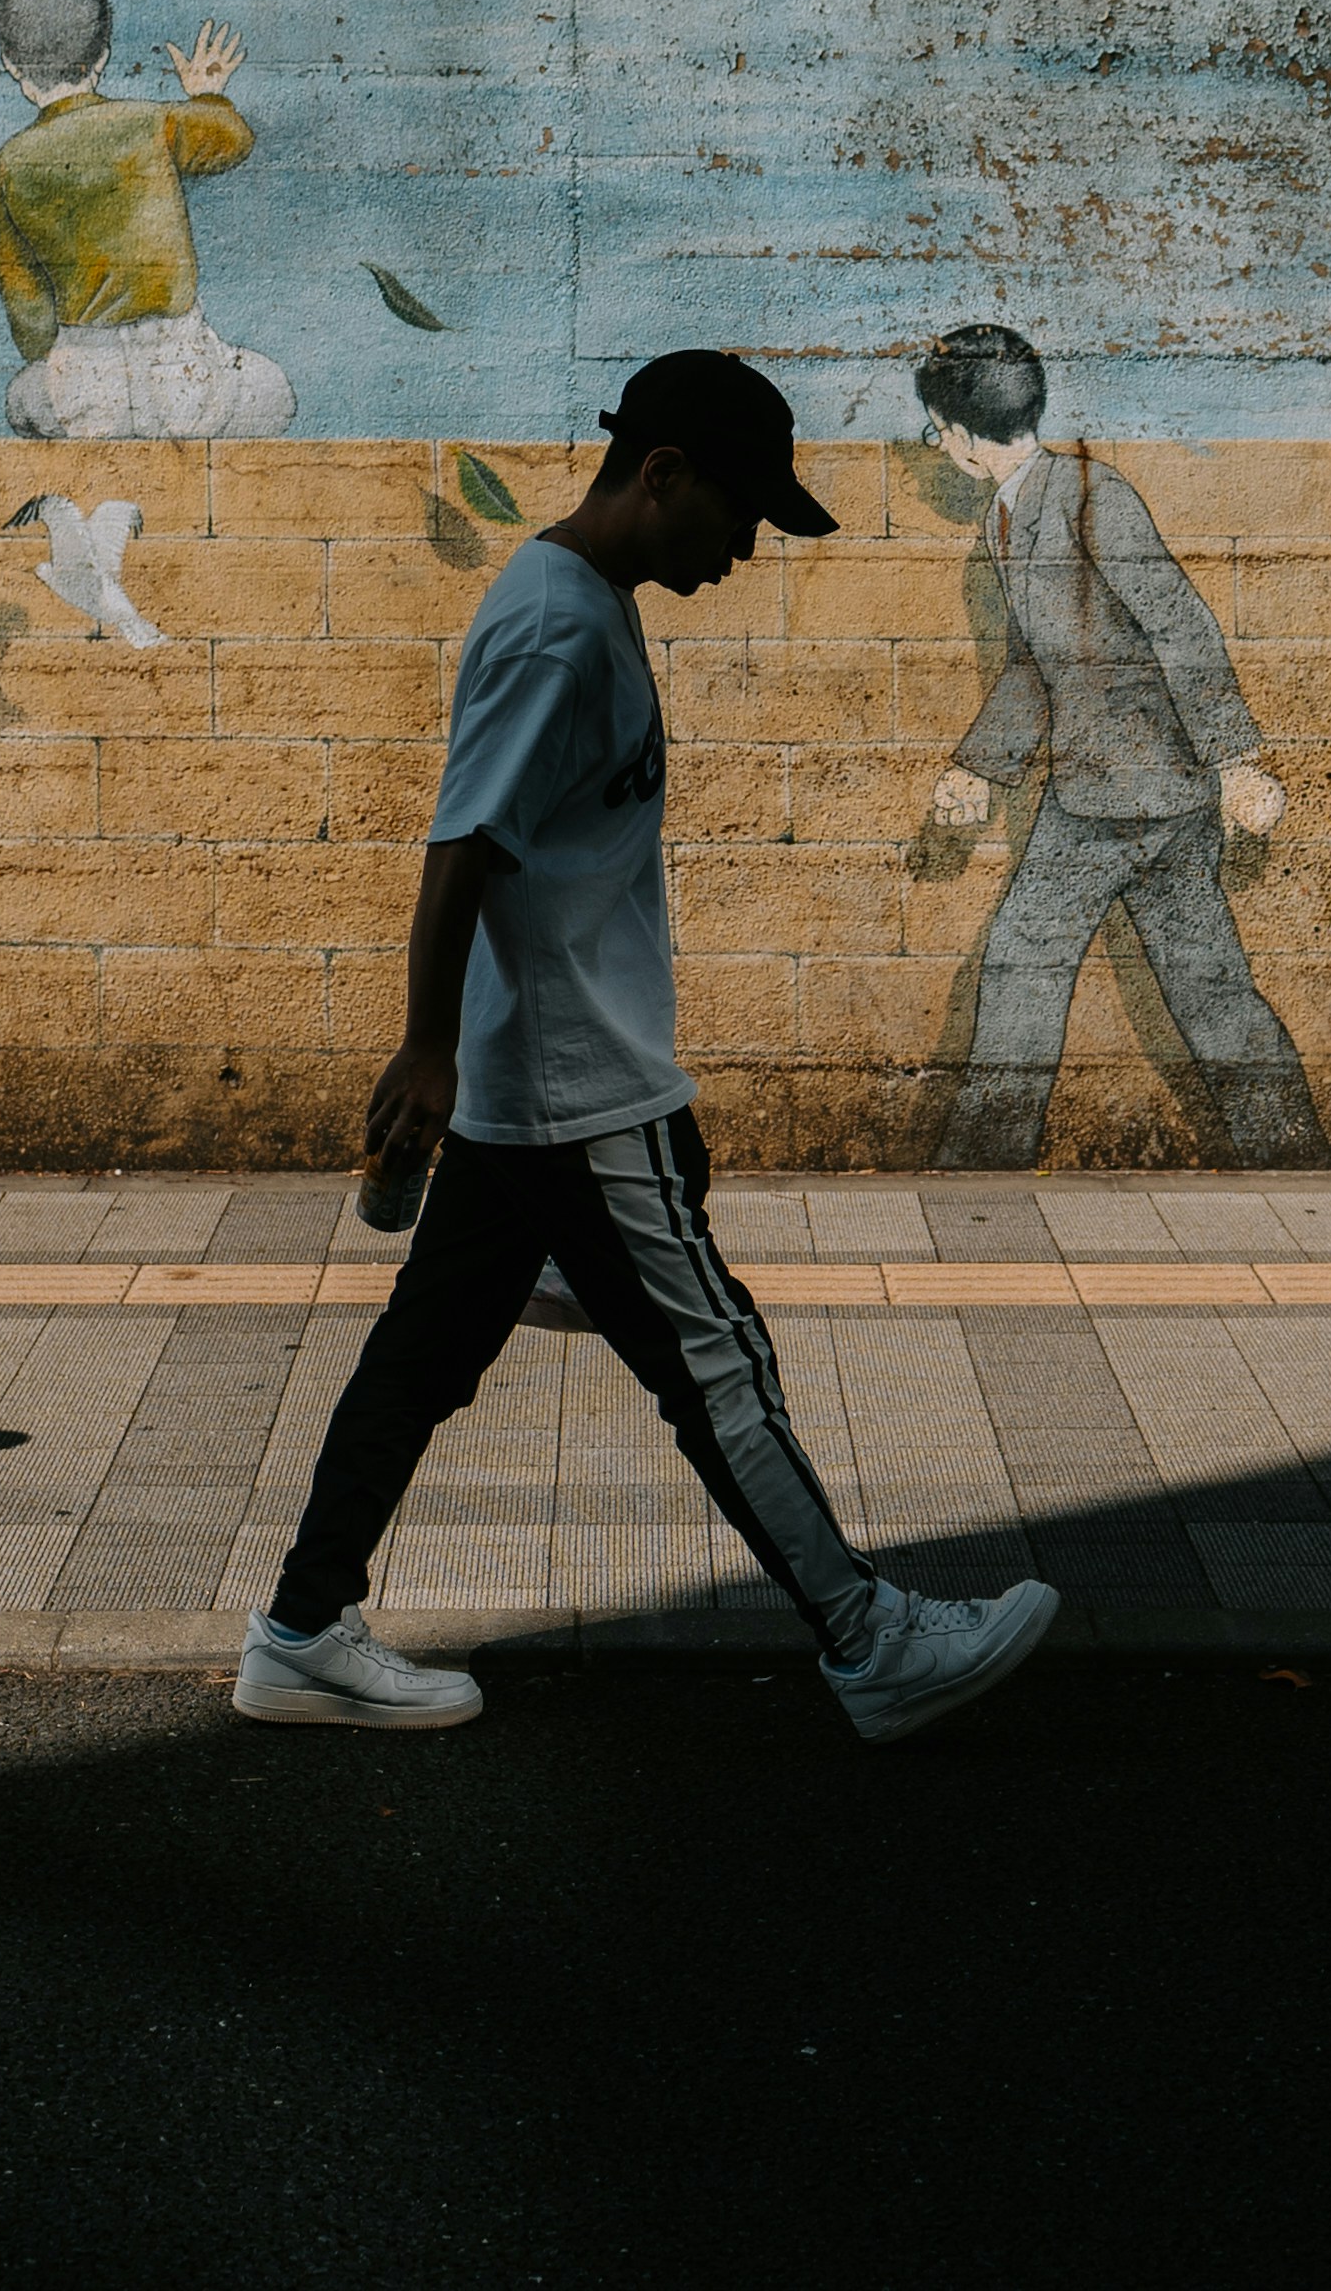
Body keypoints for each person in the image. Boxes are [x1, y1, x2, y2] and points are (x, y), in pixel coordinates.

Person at [236, 349, 1063, 1743]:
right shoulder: (559, 628)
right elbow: (461, 848)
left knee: (420, 1362)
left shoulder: (575, 598)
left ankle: (301, 1634)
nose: (745, 549)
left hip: (533, 1090)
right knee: (719, 1366)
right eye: (738, 516)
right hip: (578, 1092)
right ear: (660, 474)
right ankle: (869, 1640)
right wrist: (426, 1047)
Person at [921, 323, 1331, 1171]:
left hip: (1118, 797)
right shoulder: (1016, 513)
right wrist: (978, 767)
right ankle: (1296, 1163)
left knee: (1021, 970)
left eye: (935, 428)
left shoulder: (1088, 495)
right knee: (1210, 992)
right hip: (1143, 796)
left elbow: (1177, 620)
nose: (935, 443)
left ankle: (979, 1172)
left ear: (959, 438)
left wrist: (1237, 761)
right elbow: (1037, 666)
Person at [0, 0, 294, 439]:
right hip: (186, 384)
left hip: (86, 395)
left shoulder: (9, 164)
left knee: (22, 399)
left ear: (10, 63)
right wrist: (206, 95)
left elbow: (28, 314)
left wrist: (63, 354)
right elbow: (233, 140)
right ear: (102, 56)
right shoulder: (150, 122)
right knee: (273, 391)